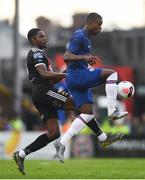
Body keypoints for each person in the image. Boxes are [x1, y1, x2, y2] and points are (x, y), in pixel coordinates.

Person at [56, 12, 128, 162]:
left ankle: (63, 142)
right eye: (99, 24)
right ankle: (112, 112)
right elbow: (66, 56)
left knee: (87, 114)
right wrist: (84, 58)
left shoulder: (86, 38)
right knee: (112, 74)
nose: (100, 28)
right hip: (78, 76)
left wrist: (83, 62)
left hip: (74, 77)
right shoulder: (79, 36)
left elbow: (72, 60)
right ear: (90, 23)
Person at [12, 28, 77, 175]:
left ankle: (21, 154)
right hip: (44, 92)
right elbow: (44, 74)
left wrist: (63, 73)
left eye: (45, 36)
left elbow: (50, 76)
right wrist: (65, 74)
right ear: (33, 40)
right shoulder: (36, 53)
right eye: (41, 36)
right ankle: (102, 136)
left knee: (53, 133)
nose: (45, 38)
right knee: (78, 104)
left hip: (41, 94)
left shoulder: (41, 55)